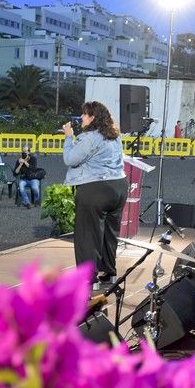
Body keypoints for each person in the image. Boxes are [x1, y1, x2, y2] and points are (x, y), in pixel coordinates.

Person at [63, 100, 128, 288]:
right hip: (119, 187)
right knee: (110, 233)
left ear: (93, 118)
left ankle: (88, 281)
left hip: (95, 190)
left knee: (87, 236)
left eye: (84, 114)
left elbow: (70, 159)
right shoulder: (115, 135)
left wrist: (69, 137)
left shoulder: (89, 137)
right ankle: (109, 273)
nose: (81, 117)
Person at [13, 144, 41, 209]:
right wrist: (20, 164)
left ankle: (36, 200)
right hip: (24, 179)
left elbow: (33, 169)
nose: (24, 153)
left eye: (26, 152)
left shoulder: (33, 159)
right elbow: (15, 173)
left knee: (35, 188)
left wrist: (25, 162)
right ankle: (27, 202)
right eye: (23, 152)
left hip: (33, 178)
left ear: (29, 152)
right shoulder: (19, 160)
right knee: (21, 188)